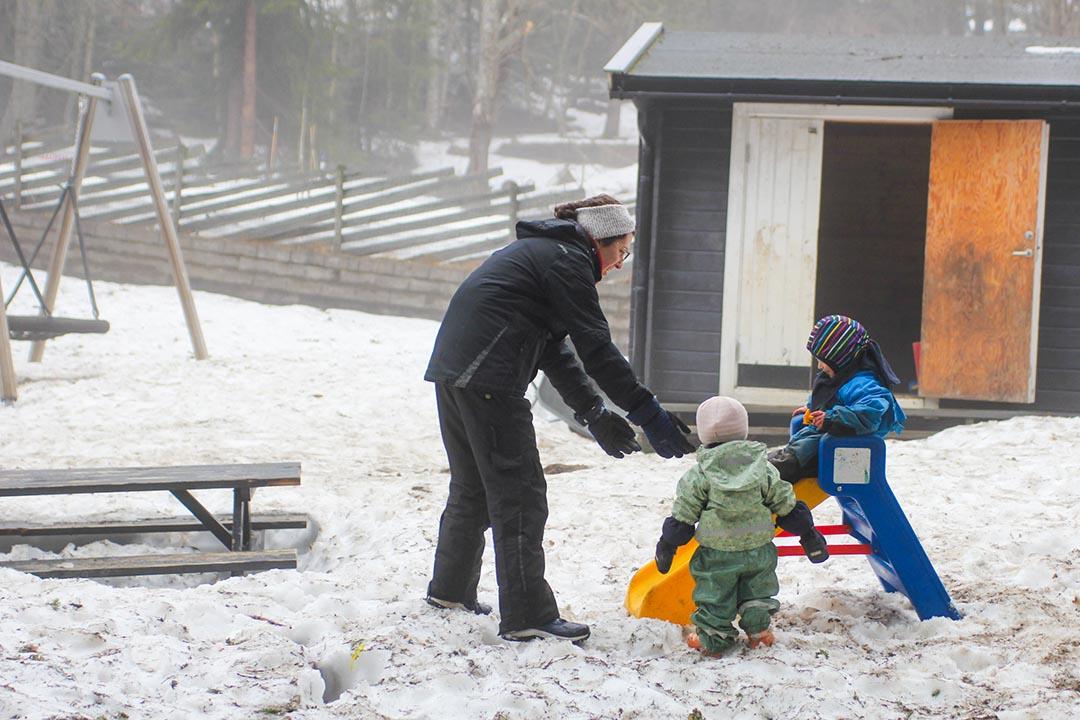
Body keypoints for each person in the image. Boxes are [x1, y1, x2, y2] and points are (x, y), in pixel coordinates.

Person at [424, 194, 695, 643]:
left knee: (472, 485)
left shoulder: (546, 254)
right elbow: (596, 348)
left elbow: (555, 349)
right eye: (621, 251)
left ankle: (450, 591)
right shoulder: (567, 261)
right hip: (489, 378)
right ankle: (527, 613)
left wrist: (594, 413)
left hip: (457, 374)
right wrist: (649, 413)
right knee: (520, 495)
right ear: (600, 240)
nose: (619, 264)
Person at [653, 396, 828, 656]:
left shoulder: (700, 474)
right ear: (743, 429)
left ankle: (713, 640)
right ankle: (759, 633)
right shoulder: (764, 468)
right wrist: (809, 535)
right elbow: (785, 502)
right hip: (758, 549)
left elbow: (684, 515)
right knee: (757, 591)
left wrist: (667, 545)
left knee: (715, 594)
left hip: (717, 554)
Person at [768, 315, 906, 484]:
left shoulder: (862, 383)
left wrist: (831, 418)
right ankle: (768, 467)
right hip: (826, 442)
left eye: (822, 361)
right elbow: (829, 394)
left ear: (840, 358)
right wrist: (813, 407)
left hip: (843, 453)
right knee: (782, 456)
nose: (820, 366)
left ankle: (770, 475)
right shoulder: (843, 375)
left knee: (790, 460)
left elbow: (870, 413)